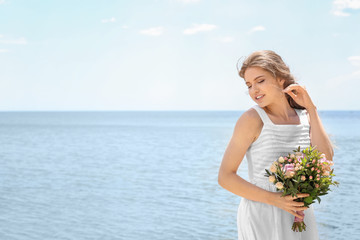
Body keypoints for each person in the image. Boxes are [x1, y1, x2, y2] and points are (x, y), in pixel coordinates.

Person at [218, 50, 334, 240]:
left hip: (299, 213)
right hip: (262, 213)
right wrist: (275, 200)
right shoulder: (252, 119)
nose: (254, 90)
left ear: (280, 78)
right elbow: (225, 177)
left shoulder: (305, 117)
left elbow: (326, 161)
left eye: (260, 81)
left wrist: (311, 109)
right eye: (249, 85)